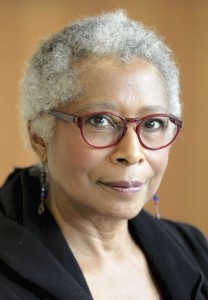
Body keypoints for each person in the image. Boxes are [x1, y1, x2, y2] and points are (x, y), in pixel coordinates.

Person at [0, 10, 207, 300]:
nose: (132, 153)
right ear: (40, 136)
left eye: (152, 123)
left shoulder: (194, 250)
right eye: (100, 121)